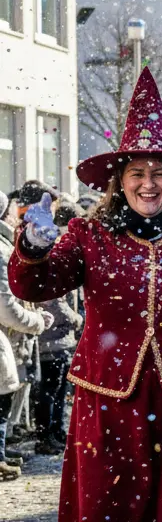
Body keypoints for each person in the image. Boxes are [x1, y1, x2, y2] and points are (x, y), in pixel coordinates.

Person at [8, 67, 162, 520]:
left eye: (159, 173)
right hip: (107, 399)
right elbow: (33, 285)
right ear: (118, 181)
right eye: (137, 172)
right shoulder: (89, 232)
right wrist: (32, 247)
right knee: (110, 505)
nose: (148, 183)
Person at [0, 191, 53, 481]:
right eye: (10, 210)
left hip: (11, 337)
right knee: (2, 402)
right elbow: (5, 305)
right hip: (7, 335)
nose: (13, 215)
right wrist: (36, 321)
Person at [32, 197, 84, 456]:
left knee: (57, 390)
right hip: (53, 336)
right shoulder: (52, 247)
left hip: (61, 337)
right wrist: (75, 318)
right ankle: (46, 434)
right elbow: (54, 299)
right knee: (49, 392)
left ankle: (54, 431)